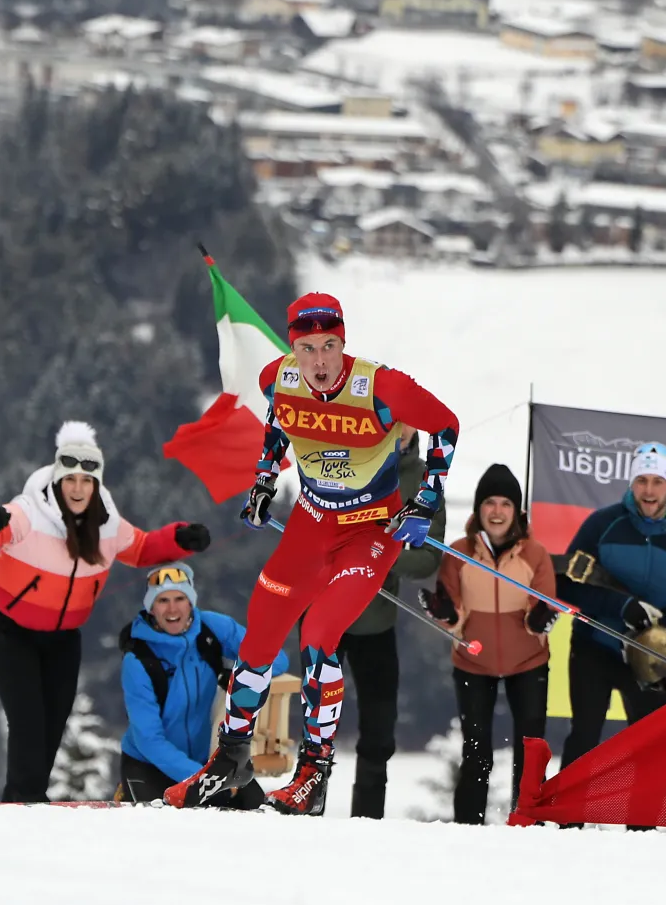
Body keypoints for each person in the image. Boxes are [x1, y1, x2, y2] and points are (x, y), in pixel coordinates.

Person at [163, 292, 459, 813]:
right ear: (293, 348)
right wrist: (262, 481)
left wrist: (425, 499)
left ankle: (312, 775)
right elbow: (278, 422)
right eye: (307, 348)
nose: (319, 362)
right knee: (258, 639)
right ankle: (230, 759)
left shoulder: (380, 386)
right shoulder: (278, 377)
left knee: (320, 639)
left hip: (370, 530)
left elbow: (445, 424)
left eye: (328, 347)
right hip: (312, 522)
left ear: (343, 343)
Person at [0, 421, 209, 803]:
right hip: (12, 633)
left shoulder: (107, 525)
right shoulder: (28, 513)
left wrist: (180, 539)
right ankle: (22, 802)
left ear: (95, 485)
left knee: (54, 724)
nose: (77, 488)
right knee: (27, 722)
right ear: (58, 480)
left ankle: (28, 800)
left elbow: (142, 548)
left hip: (63, 639)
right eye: (70, 479)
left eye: (86, 481)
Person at [557, 442, 666, 769]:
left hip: (650, 656)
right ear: (631, 483)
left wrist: (658, 629)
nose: (649, 490)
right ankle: (567, 820)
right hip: (593, 646)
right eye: (641, 480)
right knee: (584, 736)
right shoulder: (602, 524)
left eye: (657, 481)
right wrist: (622, 606)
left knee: (651, 745)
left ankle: (642, 822)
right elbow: (565, 583)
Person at [422, 463, 556, 824]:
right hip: (474, 664)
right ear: (479, 509)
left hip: (528, 662)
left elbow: (541, 609)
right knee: (476, 750)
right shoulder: (459, 552)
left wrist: (541, 618)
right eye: (490, 503)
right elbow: (453, 615)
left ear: (517, 511)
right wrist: (443, 610)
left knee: (530, 752)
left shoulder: (535, 554)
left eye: (506, 504)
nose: (497, 511)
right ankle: (469, 826)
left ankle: (528, 821)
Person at [336, 426, 447, 819]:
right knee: (314, 720)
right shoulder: (343, 460)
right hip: (324, 610)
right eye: (388, 421)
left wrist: (383, 553)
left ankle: (368, 817)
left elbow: (429, 557)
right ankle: (304, 803)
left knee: (379, 727)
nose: (395, 431)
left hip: (376, 618)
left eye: (404, 425)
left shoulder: (422, 479)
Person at [119, 563, 289, 806]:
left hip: (212, 762)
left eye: (180, 598)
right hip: (150, 765)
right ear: (151, 608)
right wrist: (203, 779)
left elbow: (276, 658)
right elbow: (149, 740)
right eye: (162, 600)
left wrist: (237, 674)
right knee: (159, 835)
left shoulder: (213, 628)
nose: (172, 608)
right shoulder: (137, 659)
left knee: (255, 808)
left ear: (191, 602)